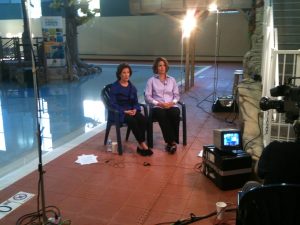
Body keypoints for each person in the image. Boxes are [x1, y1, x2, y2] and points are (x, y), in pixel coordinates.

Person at [109, 63, 153, 156]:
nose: (126, 75)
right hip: (119, 113)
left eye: (128, 72)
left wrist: (135, 110)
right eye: (124, 73)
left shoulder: (131, 87)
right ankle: (142, 144)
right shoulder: (115, 87)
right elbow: (112, 104)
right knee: (132, 121)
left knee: (144, 120)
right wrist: (124, 111)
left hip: (131, 110)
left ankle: (140, 145)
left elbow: (136, 102)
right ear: (119, 74)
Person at [145, 57, 181, 154]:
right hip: (158, 107)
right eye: (160, 65)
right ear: (156, 68)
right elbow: (148, 97)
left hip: (170, 105)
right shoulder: (151, 81)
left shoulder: (172, 80)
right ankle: (171, 142)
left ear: (166, 67)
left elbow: (177, 96)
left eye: (164, 65)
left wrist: (172, 103)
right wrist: (159, 103)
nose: (162, 67)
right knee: (161, 114)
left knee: (175, 112)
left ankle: (171, 142)